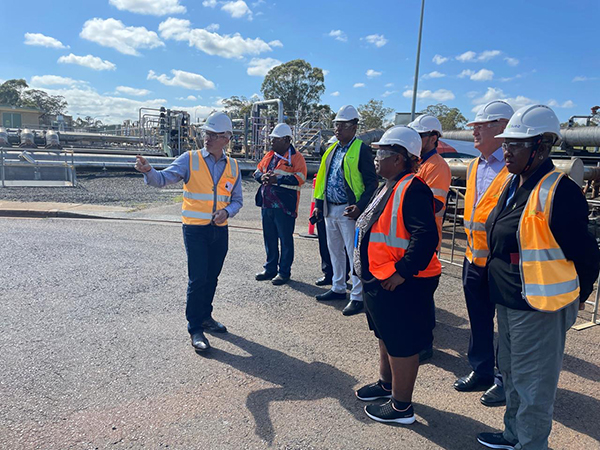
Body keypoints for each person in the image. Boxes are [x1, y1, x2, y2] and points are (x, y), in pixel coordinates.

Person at [476, 105, 600, 450]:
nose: (507, 151)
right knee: (514, 377)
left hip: (540, 307)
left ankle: (531, 445)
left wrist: (577, 297)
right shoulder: (515, 182)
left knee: (535, 387)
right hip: (510, 300)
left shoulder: (560, 191)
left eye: (516, 144)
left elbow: (588, 256)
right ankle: (512, 435)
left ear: (542, 147)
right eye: (506, 143)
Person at [353, 126, 441, 424]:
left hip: (402, 282)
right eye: (377, 153)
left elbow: (426, 236)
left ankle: (402, 407)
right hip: (380, 277)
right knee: (386, 335)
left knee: (402, 342)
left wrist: (402, 272)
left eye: (383, 154)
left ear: (402, 158)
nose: (376, 159)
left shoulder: (413, 188)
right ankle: (386, 385)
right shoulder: (389, 184)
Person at [134, 112, 242, 353]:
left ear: (227, 138)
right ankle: (195, 328)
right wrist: (148, 170)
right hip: (195, 229)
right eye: (207, 133)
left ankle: (206, 316)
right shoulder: (189, 159)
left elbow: (237, 201)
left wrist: (227, 212)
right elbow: (162, 179)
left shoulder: (233, 166)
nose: (208, 138)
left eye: (214, 135)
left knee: (212, 277)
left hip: (220, 231)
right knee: (198, 278)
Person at [454, 100, 514, 407]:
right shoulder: (475, 165)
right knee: (479, 320)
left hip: (501, 263)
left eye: (481, 125)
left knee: (505, 325)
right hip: (473, 258)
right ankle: (481, 370)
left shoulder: (514, 167)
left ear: (502, 128)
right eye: (474, 126)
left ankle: (504, 380)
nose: (474, 131)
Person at [312, 105, 378, 316]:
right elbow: (321, 180)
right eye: (336, 125)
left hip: (349, 211)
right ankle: (338, 287)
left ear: (354, 127)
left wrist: (360, 207)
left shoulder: (361, 149)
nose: (338, 129)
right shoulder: (331, 150)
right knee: (335, 252)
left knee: (353, 253)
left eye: (342, 126)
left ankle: (357, 296)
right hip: (330, 208)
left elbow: (371, 183)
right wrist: (317, 205)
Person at [408, 114, 452, 362]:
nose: (416, 140)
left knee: (423, 294)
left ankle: (425, 344)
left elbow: (434, 204)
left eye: (421, 135)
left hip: (426, 238)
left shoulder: (437, 166)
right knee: (414, 292)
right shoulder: (418, 163)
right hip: (412, 236)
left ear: (433, 138)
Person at [253, 123, 307, 285]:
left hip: (284, 207)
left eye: (275, 140)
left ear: (286, 140)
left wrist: (278, 179)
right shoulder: (270, 155)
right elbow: (257, 170)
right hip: (267, 205)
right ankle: (270, 268)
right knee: (269, 238)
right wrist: (261, 178)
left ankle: (284, 272)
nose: (272, 143)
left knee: (285, 239)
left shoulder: (297, 158)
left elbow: (301, 178)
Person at [315, 136, 350, 286]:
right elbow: (321, 183)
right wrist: (318, 204)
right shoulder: (327, 159)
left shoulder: (350, 156)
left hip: (345, 207)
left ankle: (349, 283)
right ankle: (333, 279)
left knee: (348, 248)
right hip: (327, 207)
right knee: (330, 246)